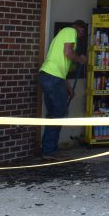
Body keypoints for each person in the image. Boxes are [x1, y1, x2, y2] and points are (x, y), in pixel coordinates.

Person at [38, 19, 88, 160]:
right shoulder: (70, 31)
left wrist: (68, 88)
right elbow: (68, 52)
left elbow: (61, 68)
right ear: (80, 28)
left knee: (53, 114)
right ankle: (50, 150)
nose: (82, 35)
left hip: (49, 76)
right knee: (59, 113)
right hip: (53, 78)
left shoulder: (61, 36)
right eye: (83, 32)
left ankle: (48, 149)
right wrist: (80, 60)